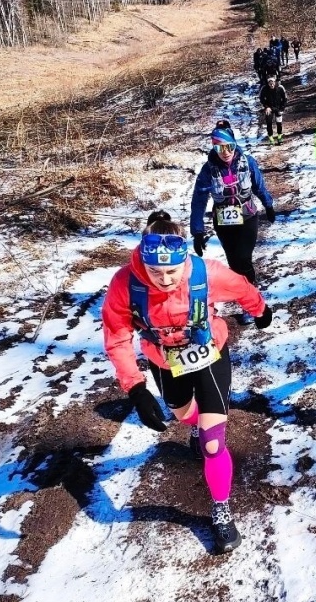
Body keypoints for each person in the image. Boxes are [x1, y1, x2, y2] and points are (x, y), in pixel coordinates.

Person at [102, 210, 273, 553]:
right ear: (142, 261)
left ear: (184, 260)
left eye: (171, 272)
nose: (164, 280)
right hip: (164, 360)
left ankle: (221, 509)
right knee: (182, 414)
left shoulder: (205, 272)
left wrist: (260, 311)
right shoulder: (125, 284)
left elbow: (241, 287)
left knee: (213, 442)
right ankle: (194, 424)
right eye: (155, 272)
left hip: (209, 352)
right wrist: (135, 388)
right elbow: (117, 336)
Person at [190, 120, 276, 312]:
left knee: (244, 258)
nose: (225, 152)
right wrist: (197, 231)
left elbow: (259, 185)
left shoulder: (248, 162)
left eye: (229, 147)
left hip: (247, 217)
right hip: (223, 221)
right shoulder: (208, 170)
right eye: (220, 148)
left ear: (234, 145)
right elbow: (199, 200)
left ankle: (252, 300)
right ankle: (246, 299)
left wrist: (268, 205)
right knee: (234, 263)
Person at [258, 75, 288, 144]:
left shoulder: (280, 88)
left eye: (272, 83)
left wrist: (282, 108)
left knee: (279, 123)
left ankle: (279, 138)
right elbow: (261, 99)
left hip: (278, 108)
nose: (271, 85)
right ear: (268, 83)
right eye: (270, 83)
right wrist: (266, 107)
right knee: (269, 123)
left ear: (275, 82)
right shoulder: (264, 88)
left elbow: (285, 99)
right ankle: (271, 139)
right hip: (269, 108)